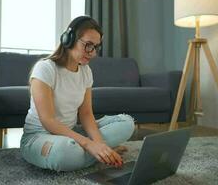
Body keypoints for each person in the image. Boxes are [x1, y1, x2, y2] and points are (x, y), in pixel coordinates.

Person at [20, 16, 135, 172]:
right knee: (65, 153)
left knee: (127, 123)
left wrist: (99, 145)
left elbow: (86, 114)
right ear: (69, 39)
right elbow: (48, 121)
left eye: (95, 47)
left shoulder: (86, 72)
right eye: (88, 45)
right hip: (38, 137)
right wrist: (89, 144)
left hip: (71, 133)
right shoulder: (45, 69)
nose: (92, 53)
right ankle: (100, 152)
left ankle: (98, 152)